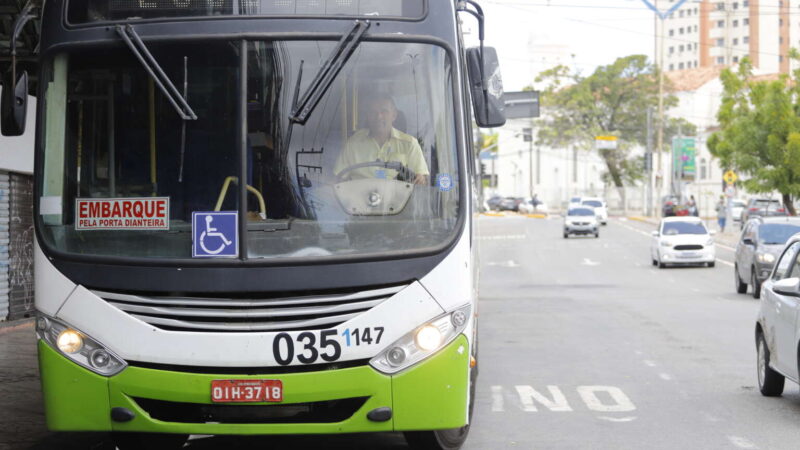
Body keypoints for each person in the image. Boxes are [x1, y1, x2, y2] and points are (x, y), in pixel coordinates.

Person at [334, 93, 429, 185]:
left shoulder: (409, 144)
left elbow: (422, 183)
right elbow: (338, 179)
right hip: (359, 199)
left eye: (384, 111)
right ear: (367, 116)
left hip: (399, 200)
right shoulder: (353, 143)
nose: (379, 116)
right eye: (373, 112)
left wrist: (420, 179)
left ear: (394, 115)